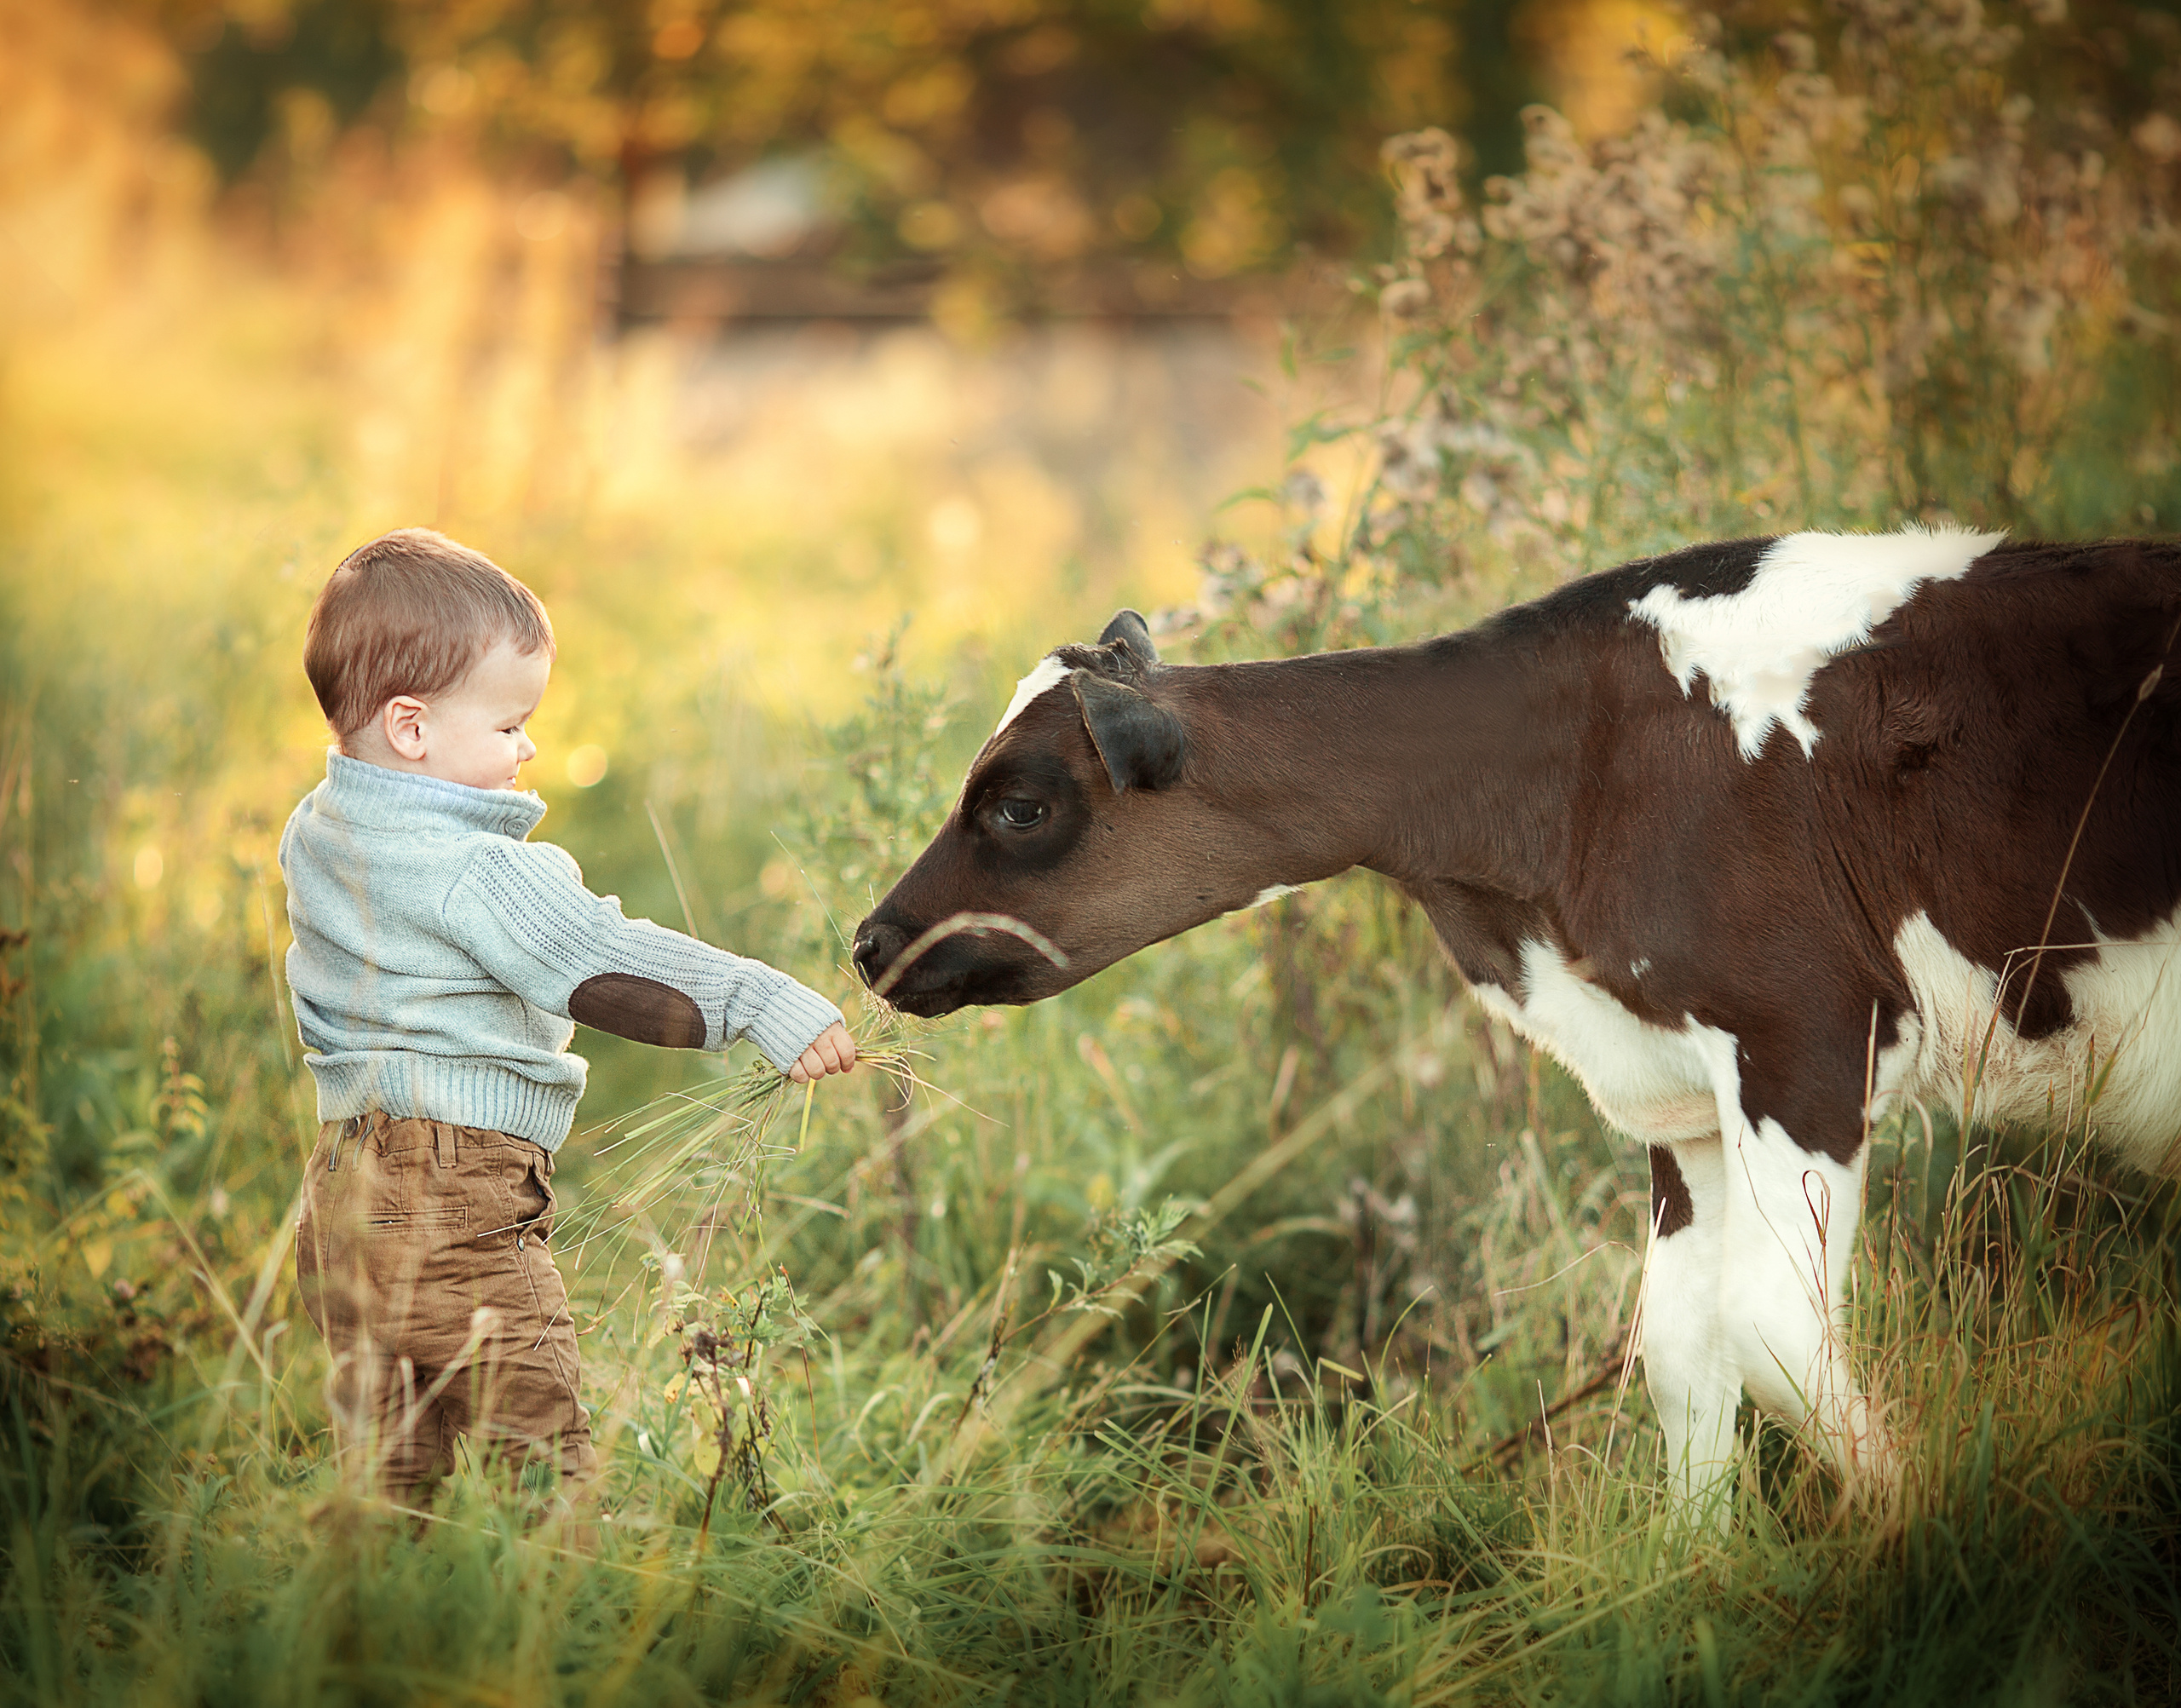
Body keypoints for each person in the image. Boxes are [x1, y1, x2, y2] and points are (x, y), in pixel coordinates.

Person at [280, 526, 855, 1515]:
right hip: (455, 1196)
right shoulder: (477, 866)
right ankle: (564, 1649)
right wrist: (761, 1000)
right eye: (508, 725)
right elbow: (594, 956)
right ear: (410, 729)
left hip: (341, 1190)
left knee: (389, 1472)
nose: (529, 745)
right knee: (544, 1451)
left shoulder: (318, 827)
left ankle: (360, 1647)